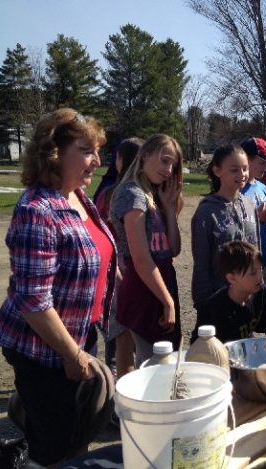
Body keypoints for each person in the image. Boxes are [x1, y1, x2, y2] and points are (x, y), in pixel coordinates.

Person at [0, 108, 116, 466]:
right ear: (54, 152)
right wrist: (72, 355)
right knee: (53, 447)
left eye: (98, 151)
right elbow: (34, 302)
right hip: (44, 351)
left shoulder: (78, 196)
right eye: (86, 150)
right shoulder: (37, 209)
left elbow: (95, 247)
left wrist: (108, 273)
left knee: (76, 434)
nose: (96, 160)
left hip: (78, 337)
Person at [110, 134, 183, 367]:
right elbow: (141, 260)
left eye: (173, 164)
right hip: (143, 289)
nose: (169, 170)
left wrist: (170, 208)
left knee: (161, 360)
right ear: (145, 156)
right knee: (154, 364)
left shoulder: (152, 196)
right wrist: (168, 302)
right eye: (164, 160)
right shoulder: (132, 194)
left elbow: (173, 249)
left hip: (160, 284)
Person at [191, 144, 260, 318]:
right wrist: (203, 302)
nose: (242, 174)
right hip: (219, 299)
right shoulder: (206, 212)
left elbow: (257, 253)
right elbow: (201, 263)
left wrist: (259, 289)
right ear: (217, 170)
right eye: (234, 170)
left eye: (245, 169)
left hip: (248, 298)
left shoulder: (250, 205)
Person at [95, 137, 143, 380]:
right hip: (122, 269)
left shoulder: (107, 193)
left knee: (119, 329)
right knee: (122, 329)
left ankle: (118, 376)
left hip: (121, 268)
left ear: (120, 160)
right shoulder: (120, 194)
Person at [190, 241, 266, 344]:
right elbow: (198, 348)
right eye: (252, 273)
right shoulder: (214, 310)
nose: (260, 277)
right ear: (232, 278)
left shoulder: (261, 293)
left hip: (246, 353)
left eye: (260, 269)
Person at [240, 137, 266, 294]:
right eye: (262, 162)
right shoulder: (236, 189)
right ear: (247, 160)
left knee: (265, 298)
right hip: (246, 259)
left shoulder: (262, 187)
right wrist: (257, 218)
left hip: (265, 254)